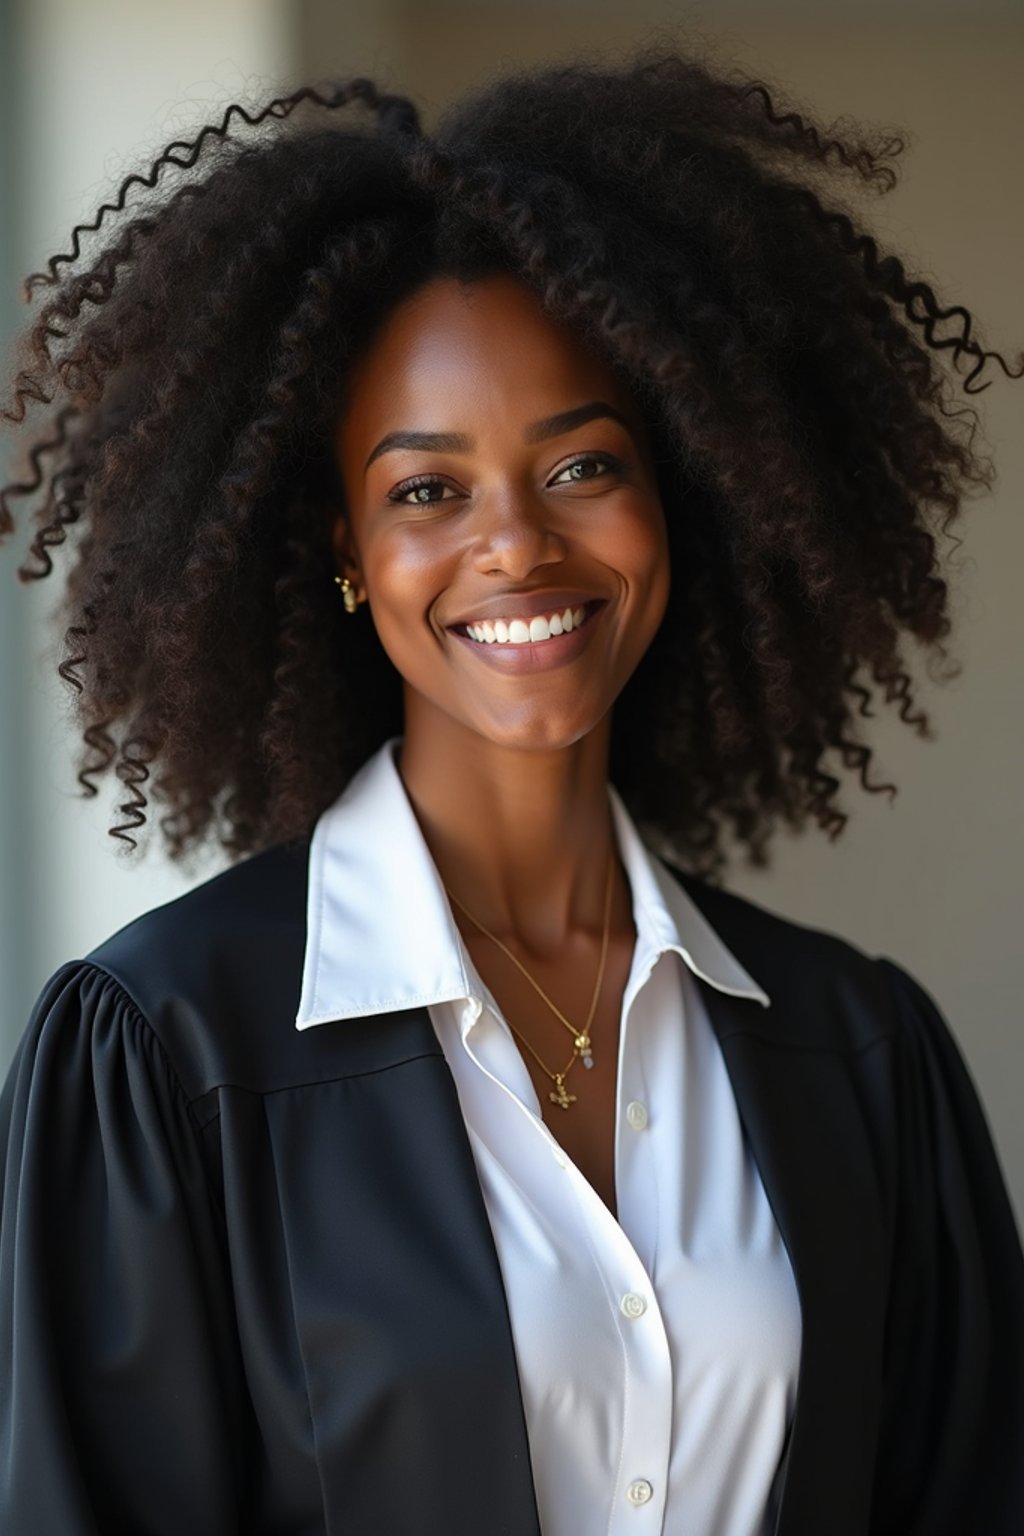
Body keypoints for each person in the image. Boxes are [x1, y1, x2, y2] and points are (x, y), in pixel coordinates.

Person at [1, 41, 1022, 1536]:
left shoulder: (860, 1058)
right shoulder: (165, 1057)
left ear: (691, 488)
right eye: (426, 490)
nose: (518, 549)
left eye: (584, 466)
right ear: (343, 550)